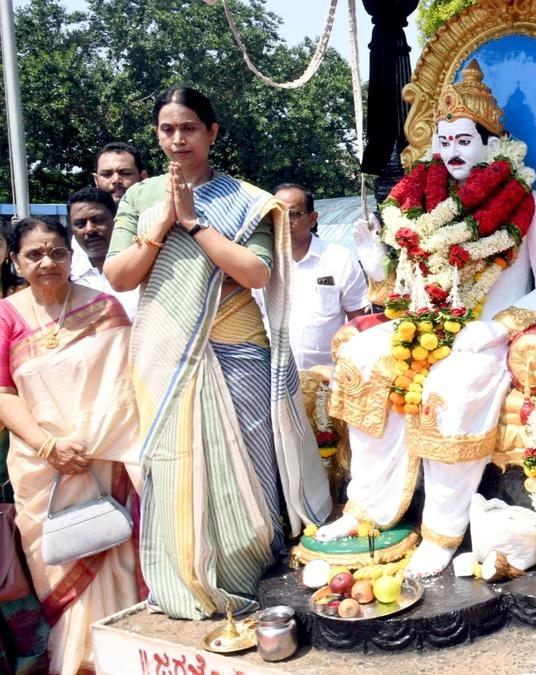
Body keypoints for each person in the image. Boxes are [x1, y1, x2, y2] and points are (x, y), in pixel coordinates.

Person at [318, 60, 536, 578]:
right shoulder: (417, 212)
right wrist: (374, 256)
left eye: (464, 140)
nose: (453, 151)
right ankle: (365, 507)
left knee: (449, 389)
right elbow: (398, 290)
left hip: (487, 337)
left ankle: (441, 530)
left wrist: (496, 327)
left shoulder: (533, 207)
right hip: (419, 323)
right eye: (445, 141)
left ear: (489, 144)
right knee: (361, 361)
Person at [104, 86, 331, 620]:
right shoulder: (140, 198)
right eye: (167, 129)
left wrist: (193, 223)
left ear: (212, 133)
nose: (177, 139)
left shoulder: (245, 198)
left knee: (251, 463)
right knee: (172, 460)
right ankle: (184, 579)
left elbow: (256, 272)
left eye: (188, 128)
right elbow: (119, 275)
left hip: (237, 347)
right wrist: (159, 227)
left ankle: (253, 577)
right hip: (167, 349)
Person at [0, 216, 142, 675]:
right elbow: (2, 394)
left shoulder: (105, 308)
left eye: (58, 252)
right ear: (17, 262)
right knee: (59, 563)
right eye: (35, 254)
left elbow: (127, 391)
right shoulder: (5, 317)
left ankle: (124, 653)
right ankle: (79, 662)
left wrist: (93, 442)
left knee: (117, 555)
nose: (47, 261)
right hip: (43, 469)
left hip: (108, 461)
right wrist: (49, 448)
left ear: (71, 256)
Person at [274, 183, 369, 369]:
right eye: (277, 215)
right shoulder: (263, 263)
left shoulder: (338, 259)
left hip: (328, 377)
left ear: (312, 219)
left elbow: (357, 321)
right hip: (274, 377)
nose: (284, 223)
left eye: (293, 214)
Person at [66, 187, 139, 318]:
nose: (90, 229)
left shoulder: (143, 265)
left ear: (117, 220)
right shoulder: (66, 276)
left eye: (98, 220)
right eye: (80, 224)